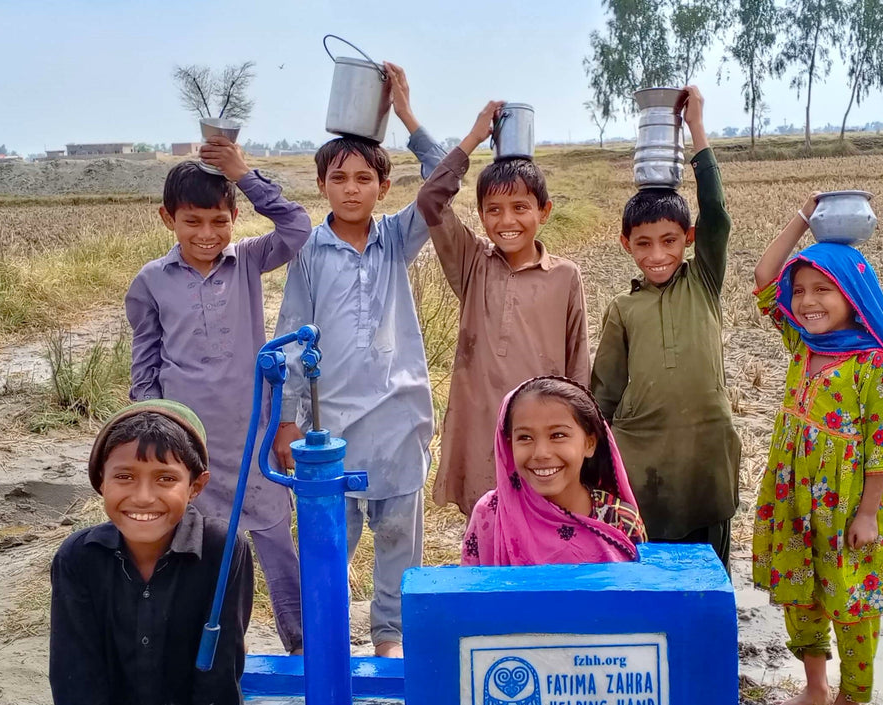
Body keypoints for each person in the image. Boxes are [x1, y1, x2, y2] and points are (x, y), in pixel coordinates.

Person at [49, 401, 278, 705]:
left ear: (195, 485)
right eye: (124, 477)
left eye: (165, 479)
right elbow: (76, 684)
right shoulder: (77, 560)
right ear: (100, 481)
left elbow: (219, 678)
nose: (143, 496)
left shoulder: (223, 551)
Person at [273, 64, 445, 658]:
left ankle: (390, 635)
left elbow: (444, 179)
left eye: (364, 178)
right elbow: (292, 339)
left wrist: (407, 113)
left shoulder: (398, 237)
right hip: (331, 427)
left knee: (398, 537)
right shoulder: (308, 251)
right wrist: (287, 420)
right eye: (339, 178)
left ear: (383, 187)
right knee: (329, 542)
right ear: (322, 185)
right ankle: (326, 638)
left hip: (398, 418)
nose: (351, 189)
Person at [752, 195, 883, 705]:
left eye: (823, 289)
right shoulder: (801, 342)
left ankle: (852, 702)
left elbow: (882, 447)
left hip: (848, 506)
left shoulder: (871, 363)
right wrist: (802, 217)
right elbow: (764, 279)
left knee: (851, 602)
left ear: (853, 296)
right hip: (792, 497)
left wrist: (867, 514)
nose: (808, 301)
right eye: (801, 290)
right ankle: (814, 686)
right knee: (799, 592)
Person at [127, 137, 311, 655]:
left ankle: (303, 646)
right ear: (168, 218)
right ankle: (220, 652)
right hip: (192, 444)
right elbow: (145, 365)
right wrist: (152, 430)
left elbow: (297, 226)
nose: (206, 234)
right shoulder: (151, 282)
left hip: (253, 435)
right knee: (206, 554)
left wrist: (242, 173)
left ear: (234, 218)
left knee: (277, 544)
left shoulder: (249, 260)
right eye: (192, 221)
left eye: (218, 221)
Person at [590, 85, 740, 571]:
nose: (657, 255)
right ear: (626, 244)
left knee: (708, 573)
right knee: (648, 570)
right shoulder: (622, 308)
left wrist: (696, 128)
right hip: (643, 458)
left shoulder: (703, 281)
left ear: (688, 239)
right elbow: (604, 394)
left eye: (670, 241)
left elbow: (717, 215)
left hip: (707, 451)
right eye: (644, 243)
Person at [418, 102, 590, 517]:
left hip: (543, 436)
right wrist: (475, 138)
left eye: (520, 207)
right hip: (482, 430)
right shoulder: (473, 263)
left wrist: (579, 437)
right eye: (493, 210)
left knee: (543, 527)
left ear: (543, 212)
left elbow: (579, 364)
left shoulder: (564, 276)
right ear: (480, 215)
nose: (506, 220)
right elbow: (431, 200)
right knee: (487, 525)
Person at [462, 376, 645, 566]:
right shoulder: (491, 513)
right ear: (509, 445)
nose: (541, 453)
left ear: (589, 443)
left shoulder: (619, 519)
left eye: (558, 435)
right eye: (525, 437)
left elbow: (640, 582)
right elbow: (471, 582)